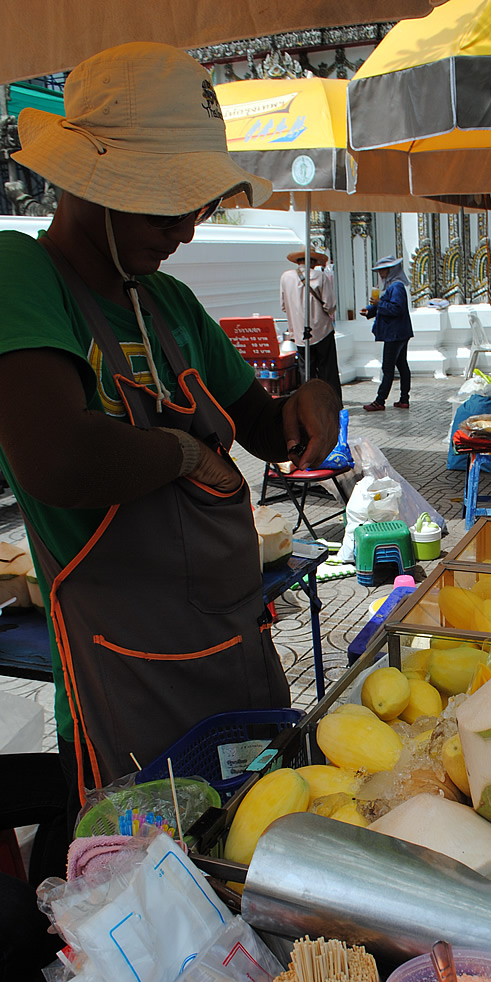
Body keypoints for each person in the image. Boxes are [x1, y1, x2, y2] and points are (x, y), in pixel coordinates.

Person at [0, 42, 339, 817]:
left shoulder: (169, 307)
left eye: (200, 208)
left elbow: (263, 429)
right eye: (167, 207)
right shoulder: (21, 277)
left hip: (232, 662)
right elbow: (61, 459)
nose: (185, 230)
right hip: (123, 683)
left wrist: (311, 398)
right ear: (93, 185)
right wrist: (185, 451)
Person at [280, 246, 343, 404]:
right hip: (322, 329)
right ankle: (333, 402)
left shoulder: (285, 277)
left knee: (306, 371)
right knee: (327, 371)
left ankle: (310, 403)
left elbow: (283, 305)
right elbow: (330, 305)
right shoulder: (320, 276)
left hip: (299, 332)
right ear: (313, 261)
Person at [360, 255, 413, 411]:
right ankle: (404, 399)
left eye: (384, 270)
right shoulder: (391, 286)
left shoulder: (396, 287)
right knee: (402, 365)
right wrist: (370, 310)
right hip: (399, 332)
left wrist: (378, 304)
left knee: (388, 368)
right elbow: (386, 305)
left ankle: (380, 400)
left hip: (394, 333)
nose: (381, 274)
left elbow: (396, 309)